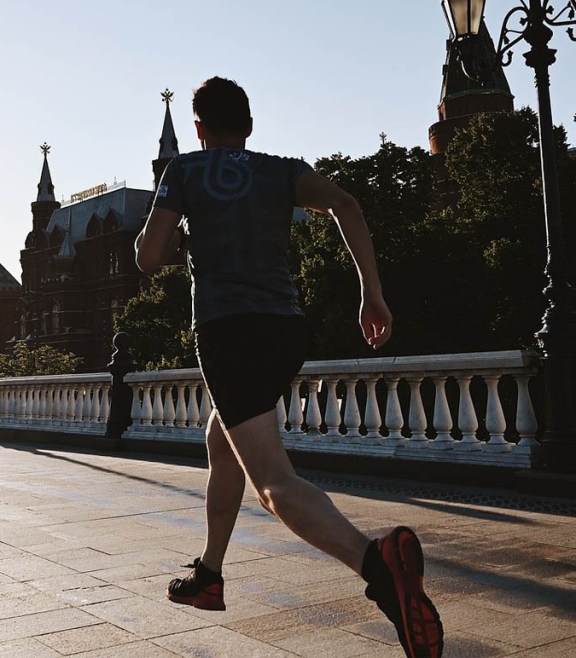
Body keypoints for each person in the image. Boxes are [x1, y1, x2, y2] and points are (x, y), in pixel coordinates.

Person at [135, 76, 443, 658]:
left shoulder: (185, 171)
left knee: (272, 483)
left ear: (198, 130)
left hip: (229, 331)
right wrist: (371, 295)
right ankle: (210, 573)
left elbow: (147, 258)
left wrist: (182, 230)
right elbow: (347, 205)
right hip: (284, 329)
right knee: (223, 441)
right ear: (249, 127)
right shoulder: (282, 169)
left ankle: (379, 567)